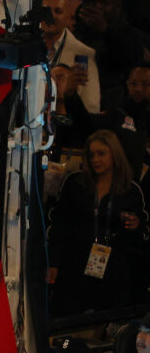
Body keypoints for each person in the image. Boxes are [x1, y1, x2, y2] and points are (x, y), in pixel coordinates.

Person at [47, 129, 149, 315]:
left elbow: (143, 230)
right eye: (91, 154)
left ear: (114, 154)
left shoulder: (130, 189)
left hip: (114, 269)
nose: (95, 159)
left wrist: (137, 225)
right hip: (75, 265)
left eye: (101, 154)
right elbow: (59, 224)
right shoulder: (74, 183)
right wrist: (53, 262)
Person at [42, 0, 100, 115]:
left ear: (68, 18)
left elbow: (92, 107)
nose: (50, 16)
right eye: (45, 10)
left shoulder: (83, 53)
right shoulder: (25, 46)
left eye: (58, 11)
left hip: (65, 127)